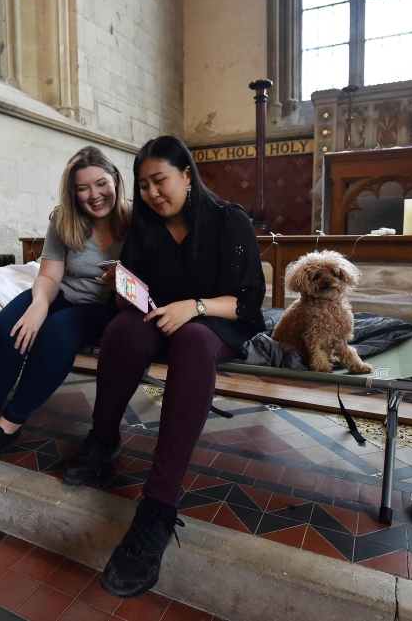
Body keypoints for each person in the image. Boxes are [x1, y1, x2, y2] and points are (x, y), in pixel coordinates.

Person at [62, 136, 266, 598]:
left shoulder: (228, 221)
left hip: (216, 325)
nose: (154, 193)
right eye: (144, 185)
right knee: (122, 330)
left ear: (187, 175)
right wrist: (121, 285)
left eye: (161, 180)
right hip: (163, 319)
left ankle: (157, 507)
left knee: (193, 341)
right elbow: (133, 303)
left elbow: (250, 305)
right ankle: (102, 436)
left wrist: (193, 307)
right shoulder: (146, 230)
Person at [0, 146, 131, 465]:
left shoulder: (136, 223)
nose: (94, 194)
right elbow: (49, 276)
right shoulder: (64, 219)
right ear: (72, 192)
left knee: (55, 335)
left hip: (104, 307)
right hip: (61, 291)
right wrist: (37, 306)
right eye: (83, 188)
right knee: (6, 328)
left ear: (115, 179)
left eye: (101, 183)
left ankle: (9, 425)